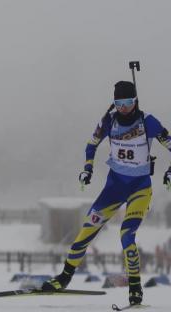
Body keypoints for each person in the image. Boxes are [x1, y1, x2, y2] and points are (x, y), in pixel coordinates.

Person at [42, 81, 171, 306]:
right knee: (87, 230)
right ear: (114, 103)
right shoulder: (108, 121)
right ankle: (63, 278)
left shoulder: (148, 121)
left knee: (126, 235)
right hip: (113, 189)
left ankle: (135, 288)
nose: (123, 108)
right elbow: (91, 145)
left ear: (135, 101)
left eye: (128, 102)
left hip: (140, 189)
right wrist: (87, 168)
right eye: (119, 103)